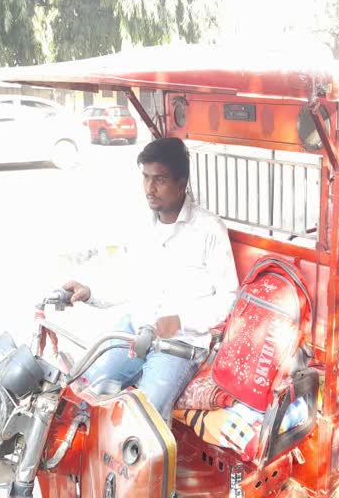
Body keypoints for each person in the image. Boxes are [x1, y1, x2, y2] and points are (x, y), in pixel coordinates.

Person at [63, 137, 239, 420]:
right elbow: (125, 278)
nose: (149, 188)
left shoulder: (209, 230)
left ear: (182, 184)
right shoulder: (141, 226)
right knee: (83, 395)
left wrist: (180, 320)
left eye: (159, 180)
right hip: (135, 329)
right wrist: (90, 291)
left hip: (181, 345)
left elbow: (228, 298)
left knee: (144, 420)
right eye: (145, 178)